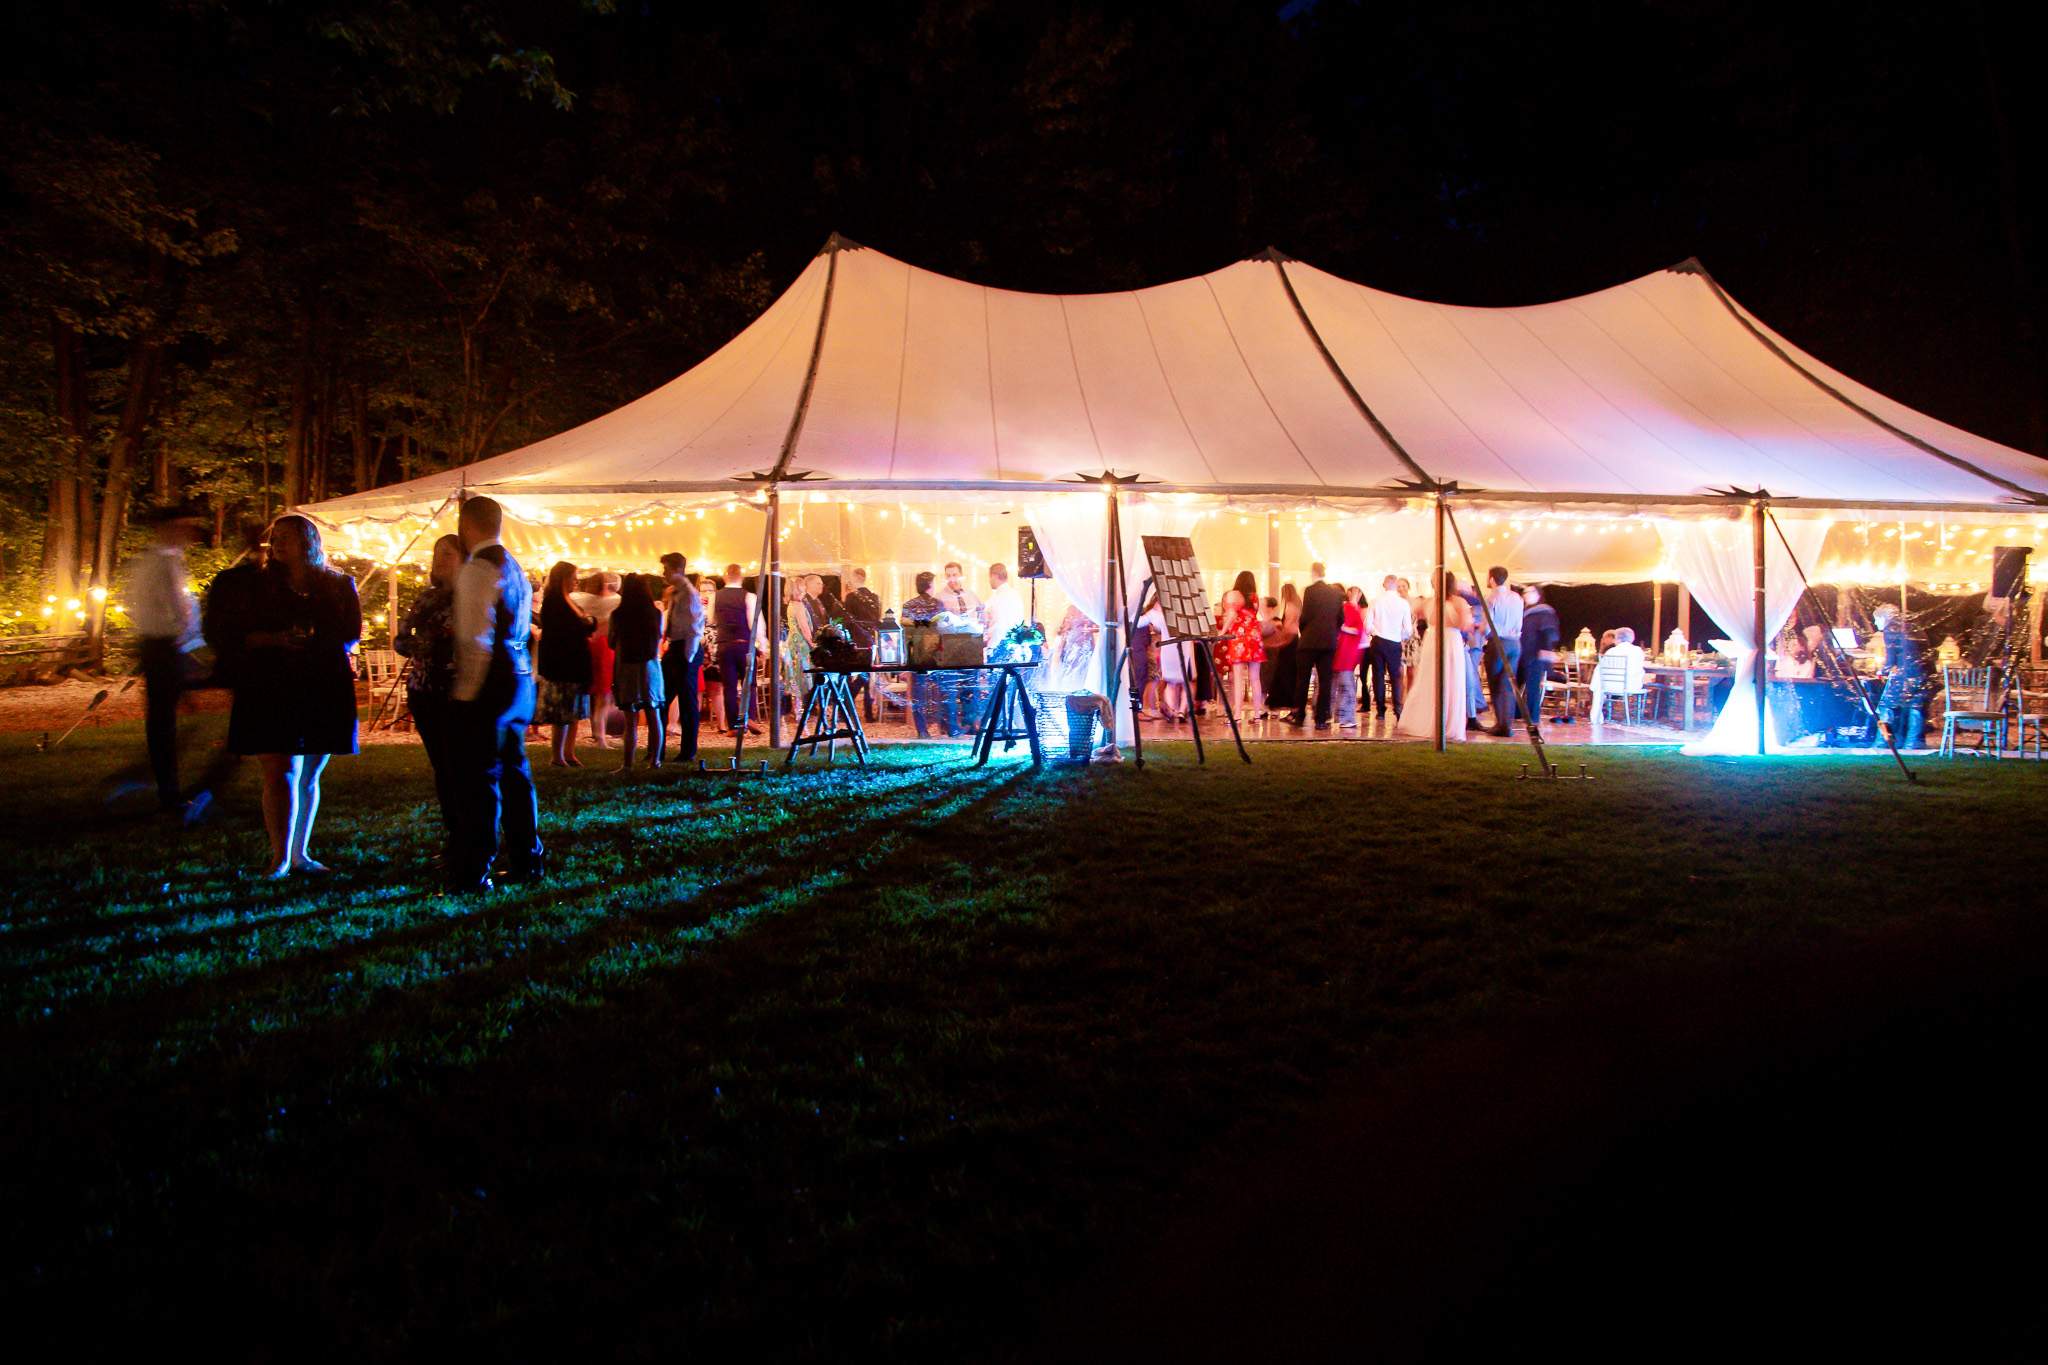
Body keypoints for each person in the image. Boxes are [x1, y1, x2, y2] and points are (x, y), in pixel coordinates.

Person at [225, 514, 362, 877]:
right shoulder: (259, 586)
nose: (278, 543)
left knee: (310, 774)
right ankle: (279, 857)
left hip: (321, 683)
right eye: (276, 537)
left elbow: (351, 634)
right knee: (280, 770)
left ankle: (300, 853)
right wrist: (274, 640)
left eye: (287, 536)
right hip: (273, 683)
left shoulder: (337, 585)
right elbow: (238, 634)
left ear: (308, 542)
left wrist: (321, 644)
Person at [447, 496, 543, 890]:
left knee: (478, 780)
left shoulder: (478, 569)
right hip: (520, 677)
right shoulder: (516, 568)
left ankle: (474, 871)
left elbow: (474, 638)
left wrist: (464, 695)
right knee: (517, 776)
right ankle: (528, 862)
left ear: (466, 524)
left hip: (489, 683)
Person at [124, 505, 210, 821]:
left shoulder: (168, 561)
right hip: (163, 647)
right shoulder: (156, 563)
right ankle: (166, 790)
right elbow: (169, 608)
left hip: (168, 647)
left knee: (169, 720)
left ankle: (165, 785)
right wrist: (181, 637)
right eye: (184, 525)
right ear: (166, 528)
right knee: (163, 722)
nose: (190, 532)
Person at [393, 534, 467, 862]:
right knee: (441, 766)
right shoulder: (426, 599)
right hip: (424, 690)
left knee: (460, 766)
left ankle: (471, 836)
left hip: (458, 691)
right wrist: (414, 646)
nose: (439, 560)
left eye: (447, 554)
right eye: (436, 554)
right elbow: (400, 639)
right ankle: (454, 836)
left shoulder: (472, 598)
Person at [1396, 570, 1470, 742]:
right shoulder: (1459, 602)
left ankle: (1428, 719)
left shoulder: (1428, 602)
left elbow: (1414, 609)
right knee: (1450, 680)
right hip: (1450, 641)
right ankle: (1447, 722)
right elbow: (1465, 625)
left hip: (1433, 641)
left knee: (1430, 680)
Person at [535, 561, 595, 767]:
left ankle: (569, 752)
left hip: (575, 664)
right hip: (562, 665)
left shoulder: (568, 601)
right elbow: (561, 633)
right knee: (562, 712)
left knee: (573, 712)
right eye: (573, 577)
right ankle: (557, 755)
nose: (577, 581)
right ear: (563, 578)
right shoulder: (554, 603)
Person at [609, 572, 666, 768]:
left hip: (627, 667)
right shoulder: (655, 613)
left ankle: (627, 764)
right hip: (650, 667)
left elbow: (611, 641)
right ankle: (655, 760)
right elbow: (659, 637)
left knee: (630, 719)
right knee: (653, 716)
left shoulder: (618, 615)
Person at [657, 553, 706, 762]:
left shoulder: (689, 593)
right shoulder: (678, 592)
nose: (663, 573)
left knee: (687, 702)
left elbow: (695, 628)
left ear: (677, 569)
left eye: (666, 569)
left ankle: (687, 751)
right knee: (662, 698)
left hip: (686, 650)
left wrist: (688, 657)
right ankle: (657, 749)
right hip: (676, 648)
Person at [902, 571, 960, 737]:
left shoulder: (908, 605)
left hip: (916, 657)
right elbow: (943, 630)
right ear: (929, 585)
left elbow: (906, 635)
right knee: (947, 691)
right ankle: (951, 728)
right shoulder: (937, 604)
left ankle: (922, 730)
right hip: (935, 656)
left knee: (918, 695)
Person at [570, 571, 620, 750]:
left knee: (600, 695)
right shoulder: (614, 601)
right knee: (604, 696)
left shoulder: (583, 600)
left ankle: (598, 733)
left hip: (591, 645)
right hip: (605, 648)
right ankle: (601, 737)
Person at [1292, 563, 1343, 728]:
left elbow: (1305, 616)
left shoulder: (1309, 591)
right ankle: (1321, 718)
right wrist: (1332, 631)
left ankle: (1300, 715)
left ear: (1313, 573)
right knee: (1325, 681)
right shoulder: (1335, 592)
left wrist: (1303, 630)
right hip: (1328, 642)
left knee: (1303, 679)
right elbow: (1340, 618)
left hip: (1309, 641)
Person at [1873, 602, 1930, 749]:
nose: (1874, 622)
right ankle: (1912, 742)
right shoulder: (1913, 627)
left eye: (1876, 618)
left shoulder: (1890, 629)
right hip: (1921, 673)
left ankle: (1883, 741)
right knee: (1915, 706)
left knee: (1887, 706)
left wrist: (1882, 672)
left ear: (1884, 618)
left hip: (1904, 676)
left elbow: (1891, 657)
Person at [711, 563, 759, 735]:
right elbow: (753, 622)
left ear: (725, 577)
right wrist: (762, 642)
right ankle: (749, 717)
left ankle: (733, 726)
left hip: (724, 644)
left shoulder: (716, 597)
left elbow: (712, 618)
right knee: (749, 683)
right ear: (741, 577)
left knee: (729, 686)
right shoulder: (748, 596)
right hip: (744, 643)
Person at [1482, 566, 1524, 737]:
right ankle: (1507, 724)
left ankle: (1501, 724)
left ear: (1491, 579)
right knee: (1507, 684)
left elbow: (1486, 628)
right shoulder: (1517, 597)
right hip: (1515, 642)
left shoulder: (1492, 598)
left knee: (1495, 683)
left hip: (1498, 643)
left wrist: (1480, 630)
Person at [1216, 579, 1266, 721]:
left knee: (1238, 678)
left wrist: (1223, 632)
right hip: (1255, 636)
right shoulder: (1255, 597)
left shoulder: (1234, 594)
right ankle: (1257, 715)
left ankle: (1237, 716)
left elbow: (1232, 615)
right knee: (1255, 678)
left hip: (1240, 636)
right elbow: (1261, 615)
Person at [1365, 573, 1412, 720]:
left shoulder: (1375, 601)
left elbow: (1367, 627)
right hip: (1394, 643)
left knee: (1378, 675)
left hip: (1378, 642)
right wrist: (1398, 635)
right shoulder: (1403, 603)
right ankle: (1397, 708)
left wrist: (1374, 631)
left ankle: (1380, 710)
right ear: (1396, 586)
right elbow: (1408, 630)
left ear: (1384, 585)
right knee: (1395, 676)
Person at [839, 566, 884, 720]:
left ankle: (846, 706)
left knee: (855, 675)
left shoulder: (851, 598)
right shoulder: (875, 597)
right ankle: (868, 713)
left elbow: (847, 621)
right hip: (871, 640)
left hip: (856, 641)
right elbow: (876, 620)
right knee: (866, 675)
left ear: (857, 578)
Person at [1517, 585, 1562, 737]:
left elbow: (1549, 632)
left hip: (1535, 653)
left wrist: (1546, 650)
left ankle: (1532, 717)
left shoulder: (1544, 612)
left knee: (1532, 686)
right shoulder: (1524, 612)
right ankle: (1517, 713)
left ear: (1538, 594)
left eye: (1530, 592)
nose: (1526, 595)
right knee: (1516, 684)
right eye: (1525, 592)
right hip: (1521, 652)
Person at [1592, 626, 1648, 717]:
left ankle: (1603, 709)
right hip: (1631, 685)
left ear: (1617, 638)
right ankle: (1639, 714)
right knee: (1644, 683)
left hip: (1609, 686)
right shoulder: (1638, 651)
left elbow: (1601, 669)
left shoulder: (1611, 651)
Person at [1332, 584, 1366, 729]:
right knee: (1345, 684)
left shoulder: (1348, 609)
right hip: (1345, 651)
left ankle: (1349, 717)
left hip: (1347, 652)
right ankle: (1344, 717)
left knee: (1346, 684)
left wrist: (1343, 628)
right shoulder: (1346, 609)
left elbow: (1358, 629)